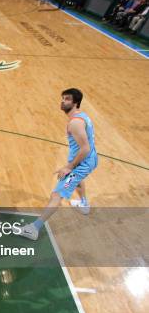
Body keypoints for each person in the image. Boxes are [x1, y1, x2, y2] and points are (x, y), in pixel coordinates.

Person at [18, 88, 98, 240]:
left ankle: (33, 229)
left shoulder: (75, 123)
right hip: (87, 159)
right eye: (62, 98)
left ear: (75, 102)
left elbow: (85, 148)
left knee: (57, 194)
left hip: (82, 162)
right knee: (78, 180)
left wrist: (69, 167)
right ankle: (84, 204)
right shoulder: (82, 116)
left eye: (67, 99)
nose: (63, 101)